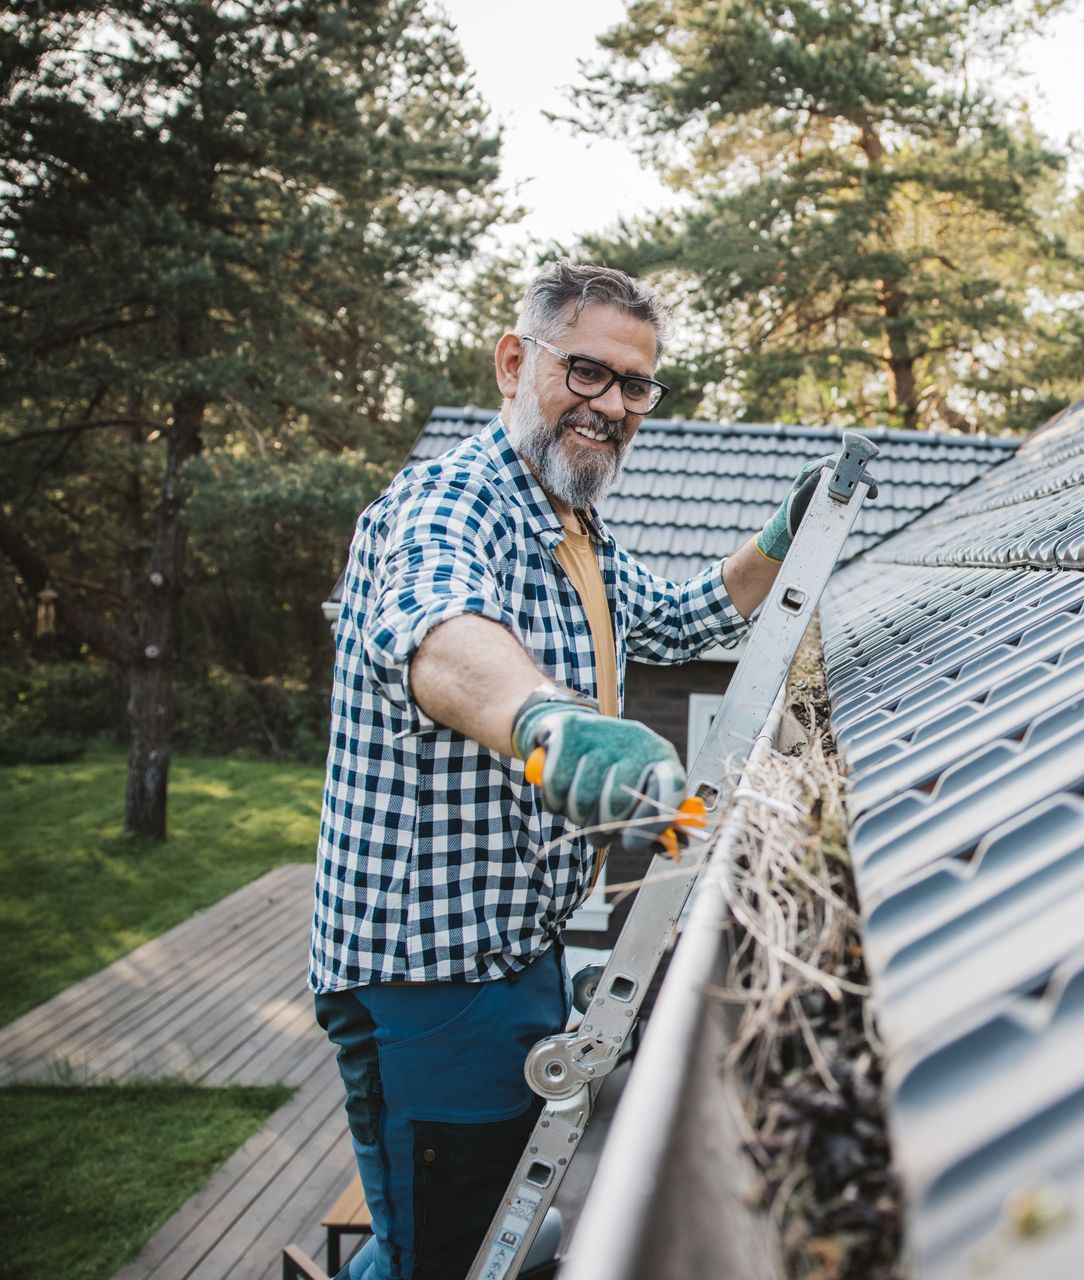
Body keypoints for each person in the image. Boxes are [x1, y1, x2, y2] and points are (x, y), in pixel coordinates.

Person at [308, 262, 828, 1280]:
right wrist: (549, 724)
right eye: (586, 371)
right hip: (431, 973)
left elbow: (679, 615)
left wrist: (780, 540)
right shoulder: (449, 503)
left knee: (476, 1228)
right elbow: (440, 631)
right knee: (447, 1257)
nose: (611, 405)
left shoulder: (574, 523)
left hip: (515, 950)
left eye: (635, 385)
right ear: (515, 362)